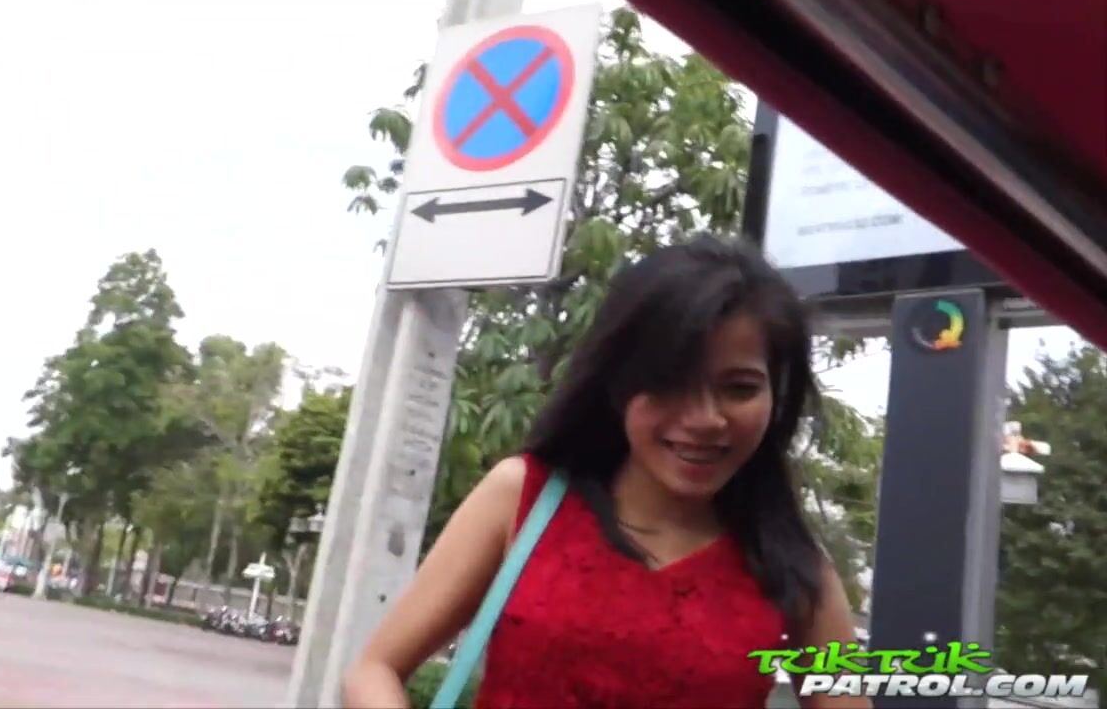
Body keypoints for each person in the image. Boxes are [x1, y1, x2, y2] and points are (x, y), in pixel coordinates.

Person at [343, 234, 869, 708]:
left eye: (739, 388)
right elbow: (374, 669)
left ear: (777, 397)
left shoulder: (799, 571)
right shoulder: (522, 497)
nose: (705, 419)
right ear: (617, 381)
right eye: (670, 382)